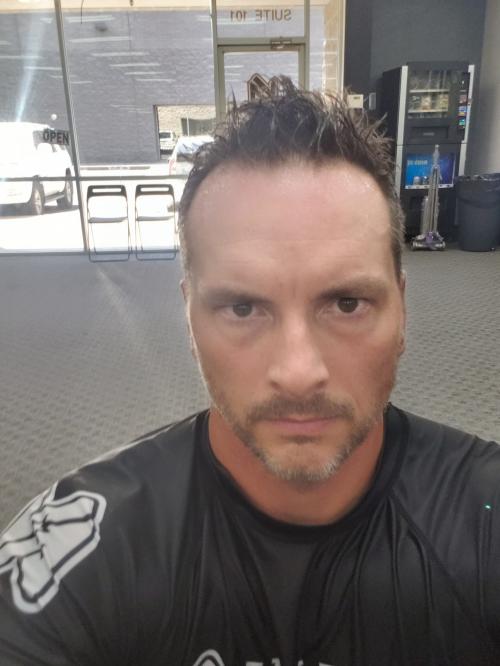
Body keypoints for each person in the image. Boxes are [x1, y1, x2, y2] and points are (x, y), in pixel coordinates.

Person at [1, 78, 499, 666]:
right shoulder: (83, 549)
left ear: (402, 309)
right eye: (242, 308)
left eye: (346, 304)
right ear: (189, 319)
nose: (298, 373)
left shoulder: (484, 516)